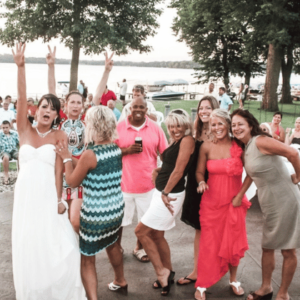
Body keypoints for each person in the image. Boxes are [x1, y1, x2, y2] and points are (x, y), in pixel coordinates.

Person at [11, 42, 86, 300]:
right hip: (24, 196)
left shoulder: (59, 135)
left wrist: (59, 200)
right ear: (36, 109)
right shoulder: (24, 130)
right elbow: (21, 99)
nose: (47, 110)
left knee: (55, 245)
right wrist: (20, 66)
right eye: (44, 106)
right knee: (28, 243)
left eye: (53, 108)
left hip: (46, 196)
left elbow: (59, 171)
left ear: (56, 115)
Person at [55, 105, 127, 298]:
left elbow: (72, 181)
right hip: (116, 210)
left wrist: (65, 160)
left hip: (96, 215)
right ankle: (121, 280)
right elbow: (93, 169)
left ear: (91, 126)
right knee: (113, 245)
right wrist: (72, 158)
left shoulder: (90, 154)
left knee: (87, 259)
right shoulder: (115, 149)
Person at [231, 109, 300, 300]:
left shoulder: (260, 140)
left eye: (240, 124)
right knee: (268, 247)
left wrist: (298, 176)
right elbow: (253, 174)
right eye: (233, 125)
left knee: (288, 249)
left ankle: (283, 293)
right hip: (269, 202)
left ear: (250, 125)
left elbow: (293, 153)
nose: (236, 128)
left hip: (286, 199)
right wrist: (240, 195)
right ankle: (266, 288)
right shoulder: (247, 148)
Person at [135, 109, 195, 296]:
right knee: (157, 236)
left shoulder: (187, 140)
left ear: (185, 125)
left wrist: (166, 191)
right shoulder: (176, 141)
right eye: (171, 126)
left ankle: (161, 272)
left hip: (170, 194)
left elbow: (179, 170)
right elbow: (169, 165)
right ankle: (168, 271)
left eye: (178, 126)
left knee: (141, 231)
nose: (174, 130)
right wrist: (158, 171)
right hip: (161, 192)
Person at [194, 109, 251, 300]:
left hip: (233, 202)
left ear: (227, 124)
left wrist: (240, 195)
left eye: (220, 123)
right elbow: (199, 172)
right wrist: (201, 182)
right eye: (213, 124)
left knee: (233, 242)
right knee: (209, 243)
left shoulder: (239, 145)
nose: (216, 127)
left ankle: (234, 280)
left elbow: (251, 173)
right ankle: (202, 282)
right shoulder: (206, 147)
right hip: (210, 203)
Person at [115, 96, 168, 263]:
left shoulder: (155, 128)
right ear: (130, 109)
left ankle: (139, 248)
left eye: (141, 107)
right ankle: (117, 248)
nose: (138, 110)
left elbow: (165, 154)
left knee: (145, 222)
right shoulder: (119, 127)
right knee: (119, 222)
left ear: (147, 110)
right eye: (135, 107)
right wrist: (126, 150)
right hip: (123, 184)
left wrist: (162, 174)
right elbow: (110, 151)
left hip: (147, 186)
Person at [177, 95, 219, 286]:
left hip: (214, 188)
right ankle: (196, 271)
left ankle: (213, 270)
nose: (203, 111)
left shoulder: (221, 135)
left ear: (215, 110)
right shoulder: (195, 134)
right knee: (199, 231)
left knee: (214, 233)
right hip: (195, 187)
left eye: (208, 108)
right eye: (201, 108)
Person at [47, 45, 85, 233]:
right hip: (59, 176)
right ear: (66, 105)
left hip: (79, 175)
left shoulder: (86, 121)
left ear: (83, 106)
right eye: (72, 102)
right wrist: (51, 66)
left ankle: (78, 254)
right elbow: (52, 93)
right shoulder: (59, 120)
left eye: (79, 102)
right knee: (61, 221)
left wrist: (107, 70)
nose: (76, 105)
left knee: (75, 220)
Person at [0, 120, 19, 185]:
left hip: (14, 150)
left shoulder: (14, 133)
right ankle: (6, 176)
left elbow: (19, 143)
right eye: (3, 128)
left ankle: (20, 174)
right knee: (5, 157)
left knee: (20, 156)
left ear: (10, 127)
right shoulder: (0, 135)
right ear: (1, 127)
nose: (5, 129)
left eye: (6, 127)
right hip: (5, 151)